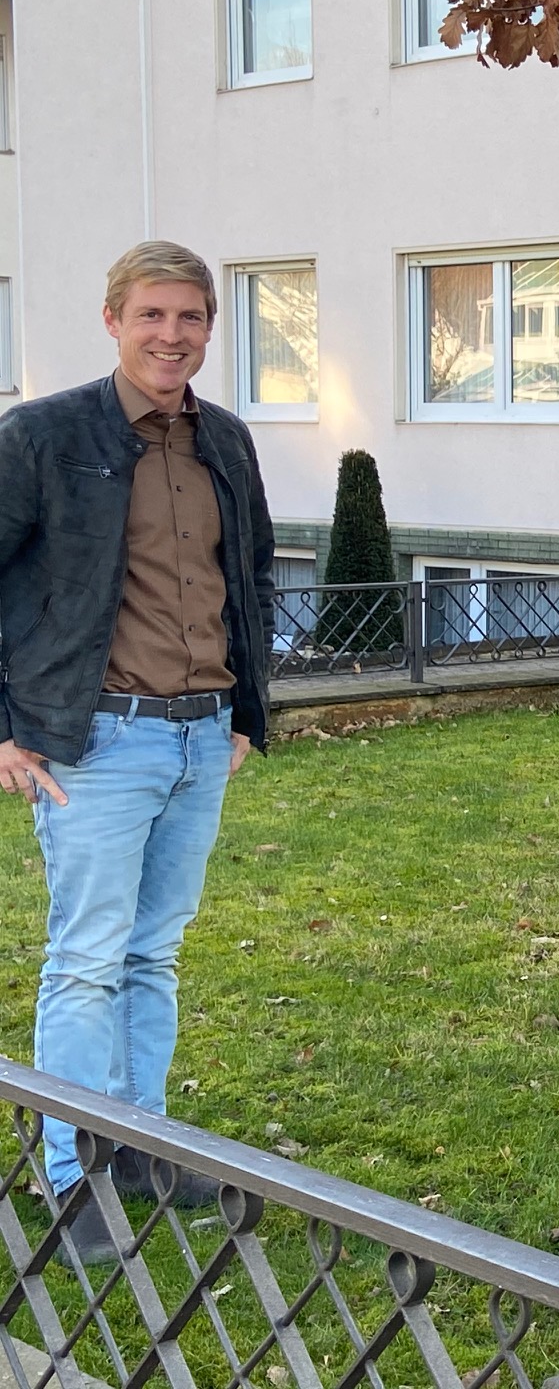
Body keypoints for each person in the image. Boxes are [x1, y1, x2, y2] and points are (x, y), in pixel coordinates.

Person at [0, 242, 277, 1259]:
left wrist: (246, 713)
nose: (173, 336)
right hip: (96, 741)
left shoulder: (228, 442)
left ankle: (142, 1143)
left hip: (200, 739)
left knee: (152, 953)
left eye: (191, 318)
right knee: (84, 961)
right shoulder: (42, 435)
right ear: (113, 319)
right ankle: (73, 1176)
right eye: (152, 315)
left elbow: (248, 575)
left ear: (211, 329)